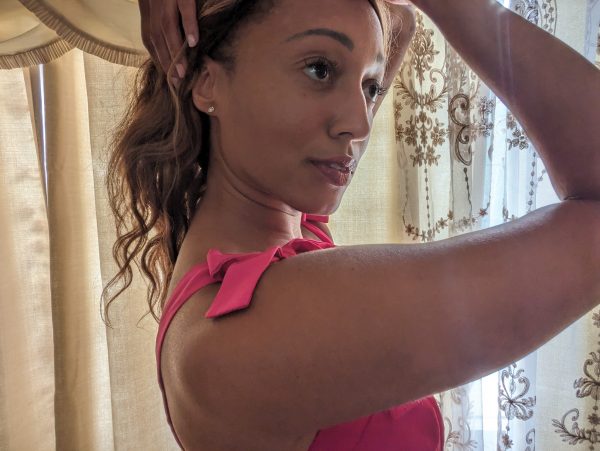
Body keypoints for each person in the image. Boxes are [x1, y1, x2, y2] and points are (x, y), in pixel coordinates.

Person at [102, 0, 600, 449]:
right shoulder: (246, 336)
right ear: (206, 83)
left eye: (369, 86)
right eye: (319, 69)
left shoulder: (287, 232)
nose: (359, 125)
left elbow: (397, 20)